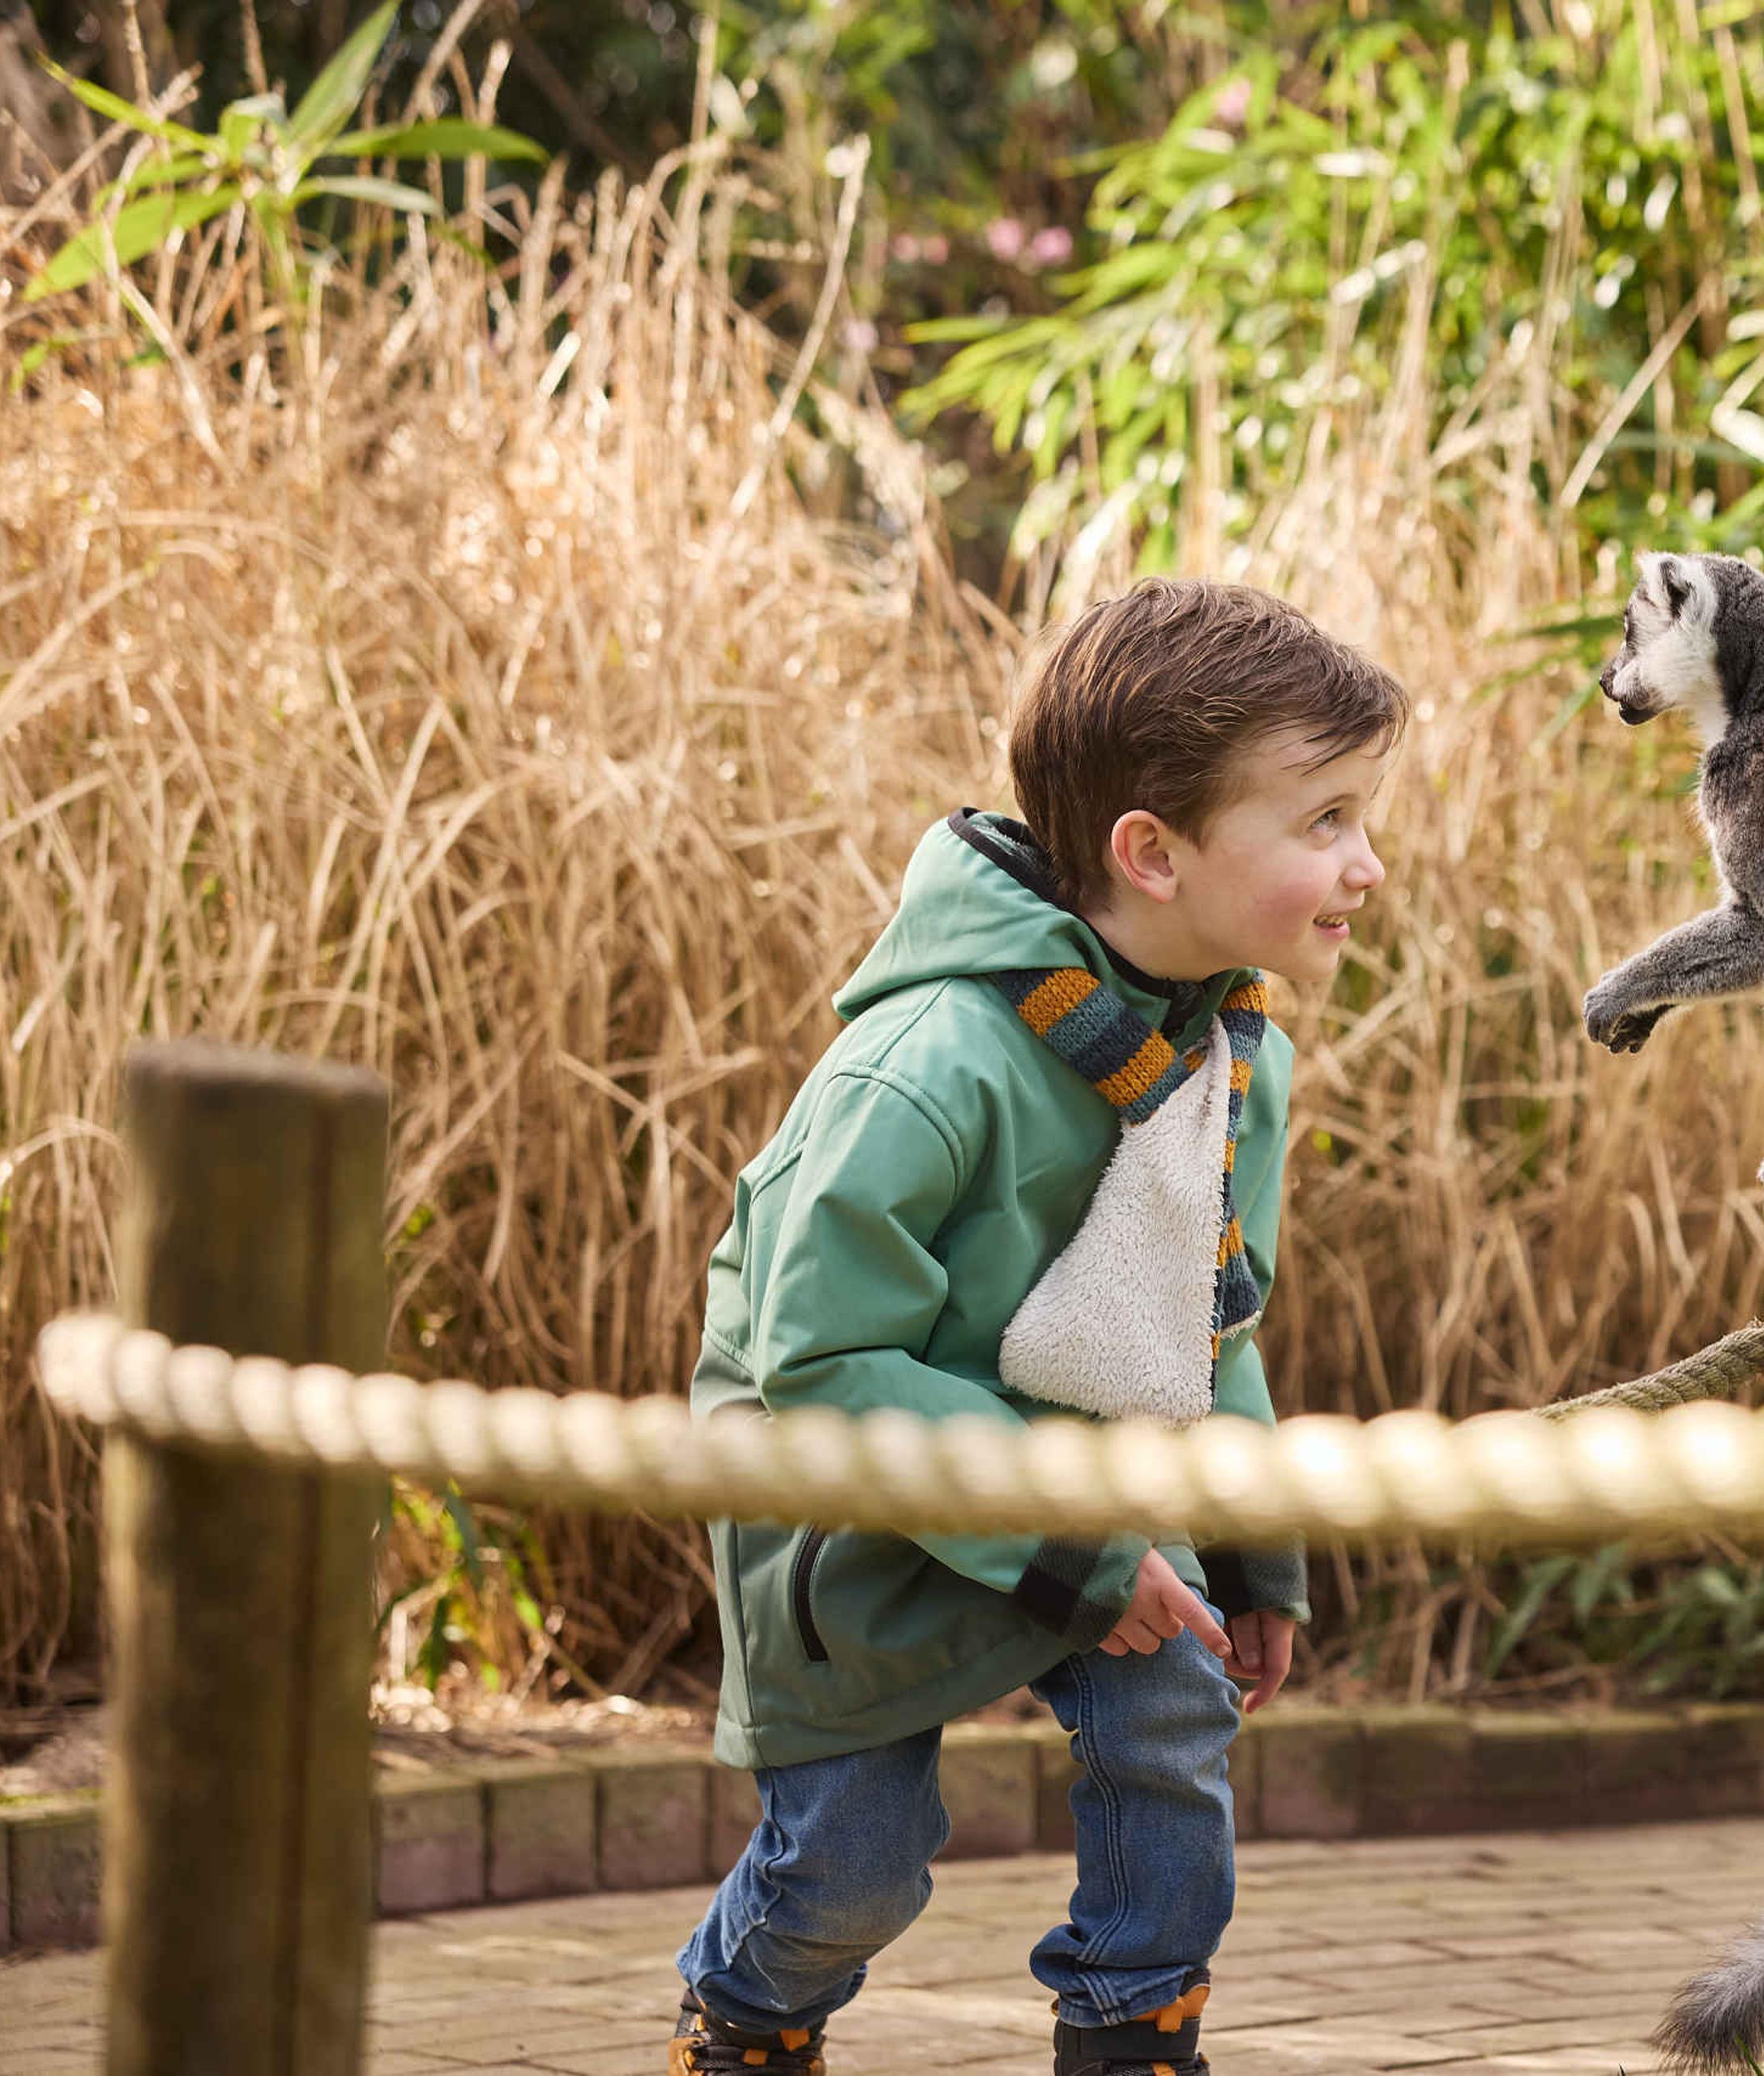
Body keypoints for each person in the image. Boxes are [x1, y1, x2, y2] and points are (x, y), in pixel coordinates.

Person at [666, 579, 1403, 2076]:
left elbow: (1206, 1314)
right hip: (859, 1484)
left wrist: (1252, 1546)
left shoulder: (1224, 1053)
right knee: (854, 1864)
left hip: (1079, 1454)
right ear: (1154, 852)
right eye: (1322, 820)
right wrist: (1065, 1542)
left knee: (1170, 1712)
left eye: (1363, 818)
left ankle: (1134, 2031)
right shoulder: (929, 1066)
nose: (1366, 864)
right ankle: (746, 2016)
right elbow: (820, 1360)